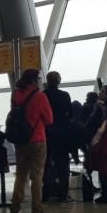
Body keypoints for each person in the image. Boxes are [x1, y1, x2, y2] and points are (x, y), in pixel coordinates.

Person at [8, 69, 54, 213]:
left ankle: (14, 209)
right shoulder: (40, 96)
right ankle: (37, 211)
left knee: (20, 176)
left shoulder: (16, 94)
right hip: (37, 140)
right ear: (35, 80)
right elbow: (49, 120)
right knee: (36, 177)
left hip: (20, 141)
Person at [42, 71, 74, 204]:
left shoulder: (42, 95)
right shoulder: (64, 95)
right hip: (62, 134)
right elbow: (70, 114)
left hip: (46, 133)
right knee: (63, 165)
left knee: (46, 163)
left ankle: (46, 193)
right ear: (59, 80)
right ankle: (63, 194)